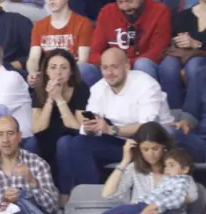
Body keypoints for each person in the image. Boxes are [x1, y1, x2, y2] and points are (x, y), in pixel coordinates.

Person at [55, 48, 175, 193]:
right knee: (77, 144)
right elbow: (92, 122)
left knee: (166, 135)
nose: (109, 73)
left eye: (114, 67)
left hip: (155, 141)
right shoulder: (99, 88)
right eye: (105, 68)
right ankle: (93, 197)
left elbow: (147, 127)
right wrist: (90, 127)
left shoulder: (145, 84)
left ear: (126, 66)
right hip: (121, 142)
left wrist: (111, 130)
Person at [99, 134, 199, 214]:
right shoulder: (134, 168)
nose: (151, 154)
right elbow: (108, 195)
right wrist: (125, 161)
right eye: (145, 149)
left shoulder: (178, 175)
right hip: (138, 211)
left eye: (155, 149)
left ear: (164, 147)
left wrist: (156, 205)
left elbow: (188, 197)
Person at [91, 0, 172, 83]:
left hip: (145, 65)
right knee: (85, 69)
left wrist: (124, 64)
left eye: (129, 1)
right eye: (120, 2)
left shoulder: (160, 11)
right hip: (113, 66)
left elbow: (158, 51)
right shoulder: (106, 12)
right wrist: (111, 65)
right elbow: (94, 52)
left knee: (143, 64)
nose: (125, 7)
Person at [28, 0, 95, 82]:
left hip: (74, 76)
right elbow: (33, 58)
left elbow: (83, 60)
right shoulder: (39, 26)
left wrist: (61, 78)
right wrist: (33, 73)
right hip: (50, 76)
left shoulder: (83, 23)